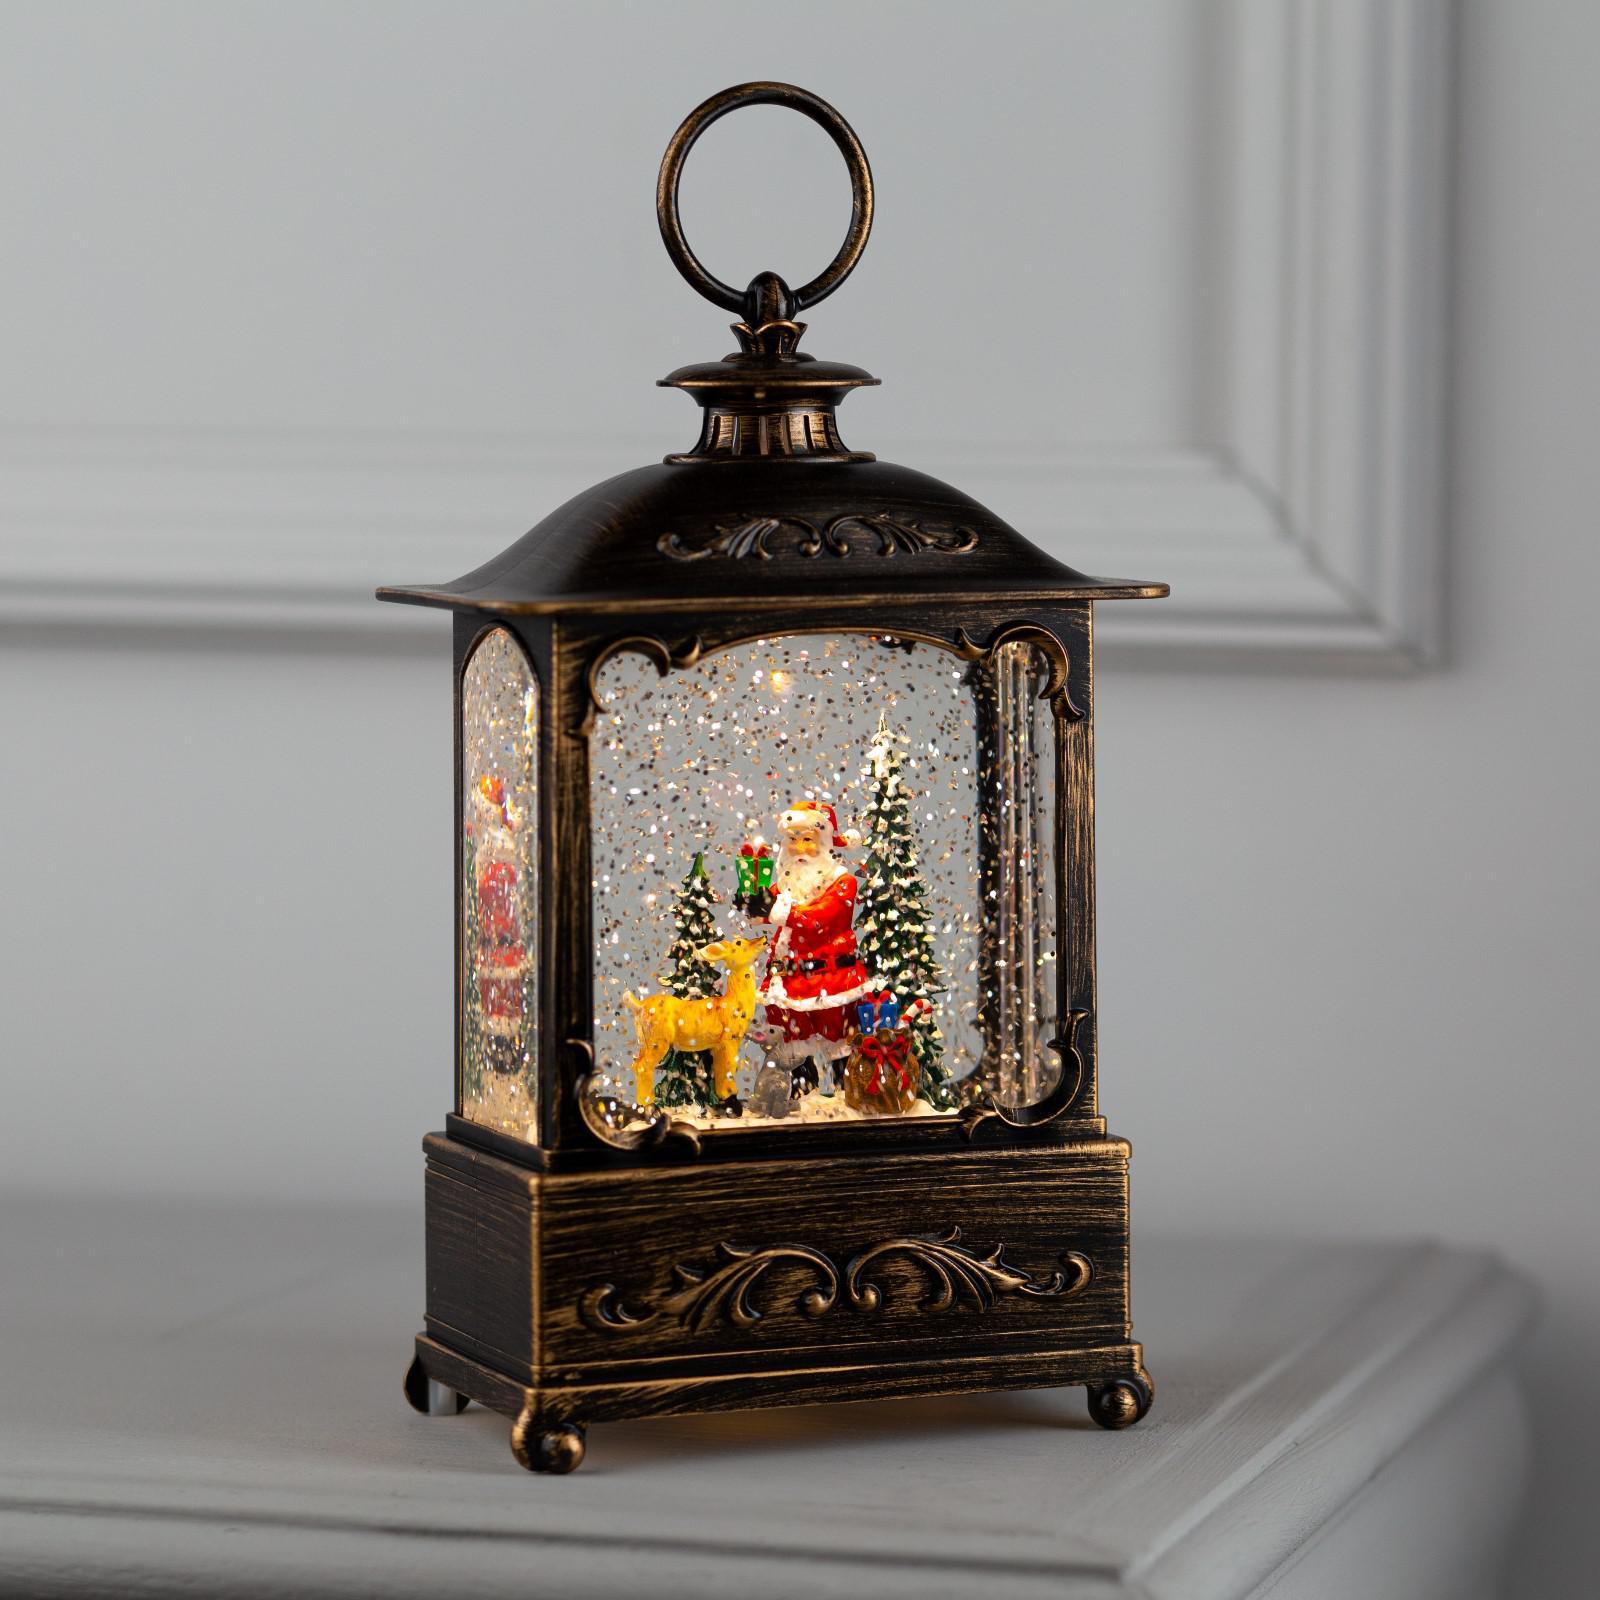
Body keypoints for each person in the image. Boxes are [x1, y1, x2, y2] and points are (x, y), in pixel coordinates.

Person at [749, 800, 872, 1094]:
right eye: (793, 839)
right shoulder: (788, 883)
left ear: (825, 841)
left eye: (808, 839)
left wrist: (776, 910)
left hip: (831, 981)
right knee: (794, 1045)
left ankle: (848, 1093)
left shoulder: (842, 882)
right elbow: (767, 909)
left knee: (840, 1042)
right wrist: (753, 903)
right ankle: (801, 1094)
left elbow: (821, 919)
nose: (799, 848)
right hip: (790, 980)